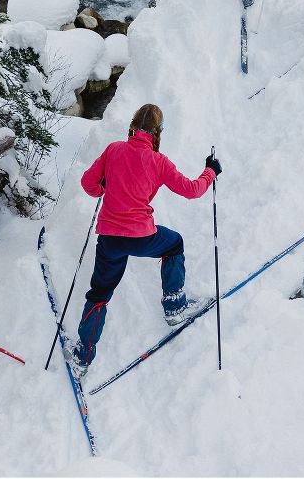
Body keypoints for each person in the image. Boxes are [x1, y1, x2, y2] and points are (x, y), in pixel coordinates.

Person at [65, 103, 222, 376]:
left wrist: (105, 186)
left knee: (99, 295)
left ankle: (83, 356)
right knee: (174, 245)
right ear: (158, 132)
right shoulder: (158, 162)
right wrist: (211, 171)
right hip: (141, 237)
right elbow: (192, 191)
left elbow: (88, 185)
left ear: (133, 125)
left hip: (110, 239)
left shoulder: (114, 150)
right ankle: (174, 305)